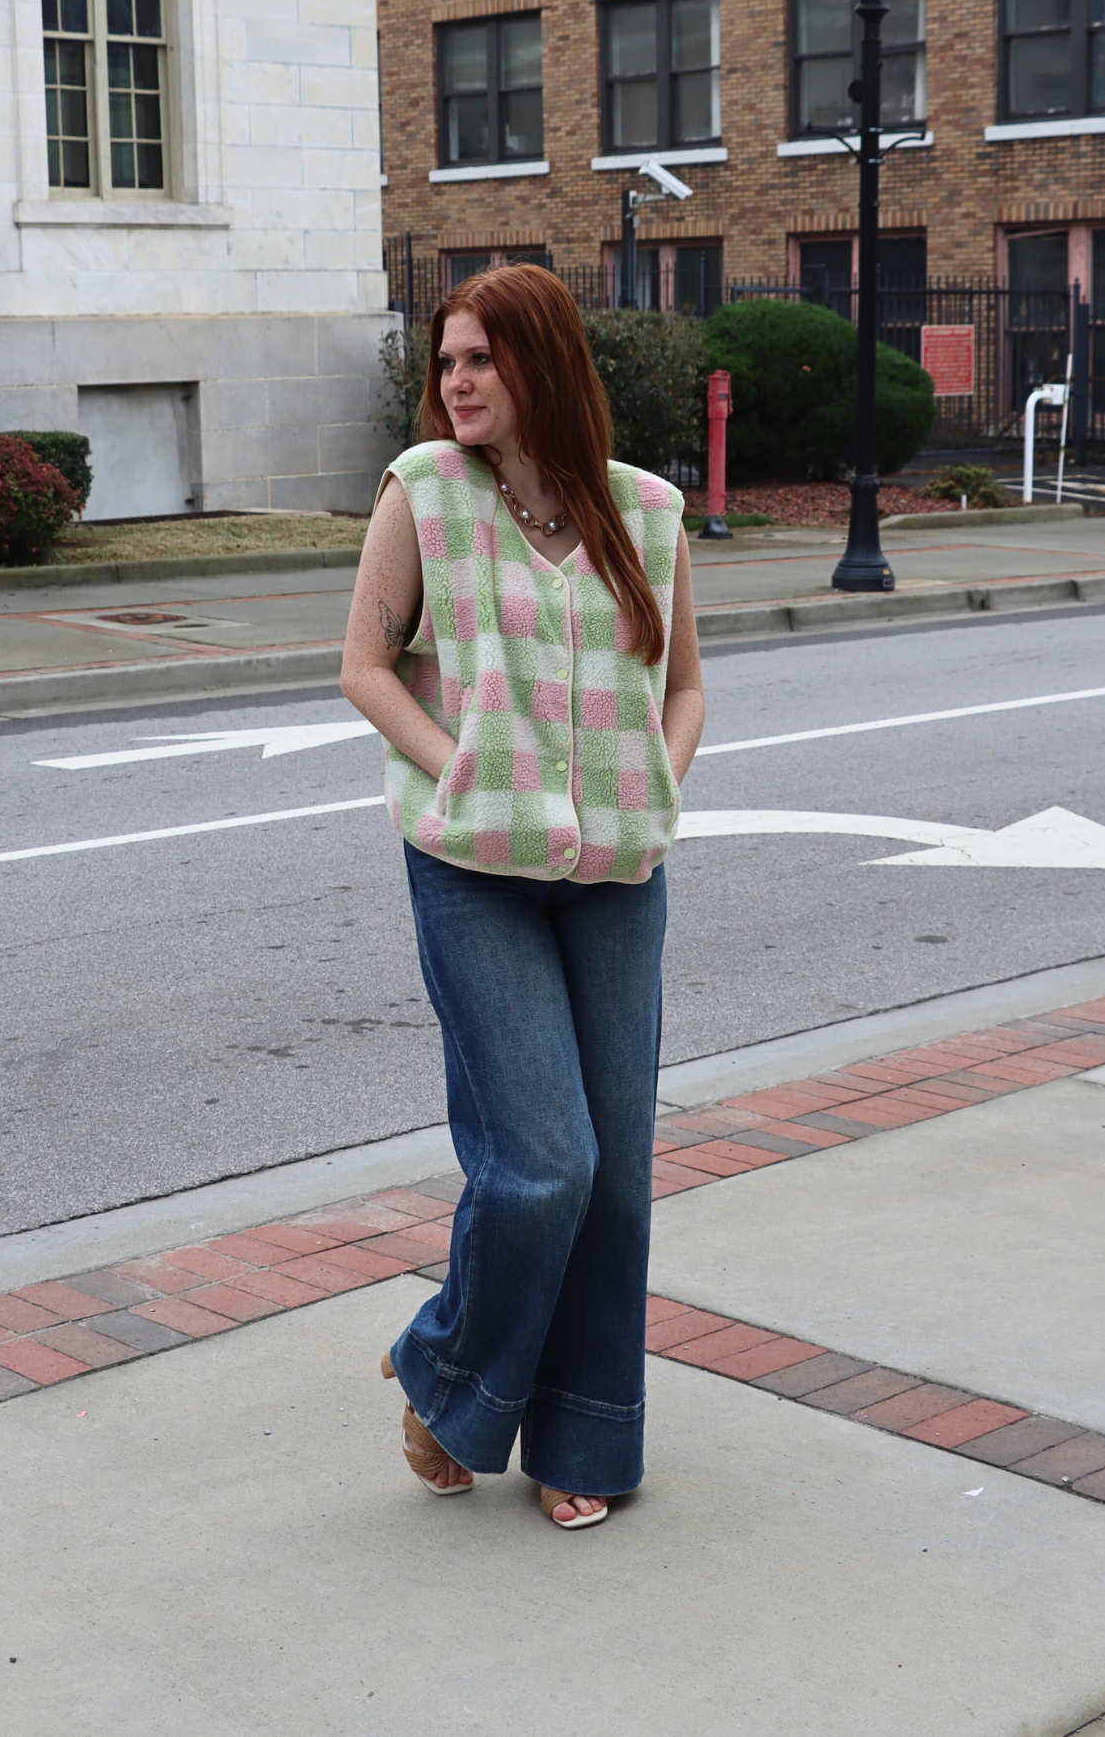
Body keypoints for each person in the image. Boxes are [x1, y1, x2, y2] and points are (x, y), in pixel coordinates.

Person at [340, 262, 704, 1529]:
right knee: (542, 1163)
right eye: (447, 364)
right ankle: (451, 1364)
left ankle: (586, 1437)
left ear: (541, 362)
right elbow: (363, 665)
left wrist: (655, 790)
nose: (456, 383)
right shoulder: (425, 493)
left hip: (615, 876)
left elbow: (687, 688)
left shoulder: (647, 513)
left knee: (617, 1176)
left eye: (479, 360)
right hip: (471, 869)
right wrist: (466, 774)